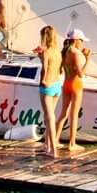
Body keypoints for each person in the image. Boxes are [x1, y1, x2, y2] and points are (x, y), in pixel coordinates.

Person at [55, 28, 90, 152]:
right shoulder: (76, 53)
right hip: (76, 85)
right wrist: (88, 59)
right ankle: (72, 143)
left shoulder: (64, 52)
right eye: (81, 40)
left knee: (63, 114)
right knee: (74, 115)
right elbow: (81, 74)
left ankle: (55, 140)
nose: (82, 43)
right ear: (76, 40)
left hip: (66, 84)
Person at [36, 25, 63, 158]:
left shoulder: (46, 52)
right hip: (57, 85)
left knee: (49, 117)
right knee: (49, 116)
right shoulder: (57, 51)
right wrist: (41, 57)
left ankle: (53, 149)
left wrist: (42, 81)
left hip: (48, 86)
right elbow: (56, 67)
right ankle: (47, 145)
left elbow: (44, 70)